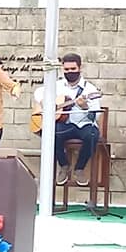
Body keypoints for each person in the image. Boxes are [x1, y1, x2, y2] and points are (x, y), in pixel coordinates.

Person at [50, 53, 102, 187]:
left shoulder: (90, 89)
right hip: (65, 124)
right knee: (50, 133)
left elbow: (95, 116)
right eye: (66, 70)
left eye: (73, 69)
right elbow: (39, 94)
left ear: (80, 68)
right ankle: (64, 165)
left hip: (84, 125)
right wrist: (45, 102)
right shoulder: (56, 86)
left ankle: (79, 168)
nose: (70, 72)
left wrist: (85, 106)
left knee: (92, 135)